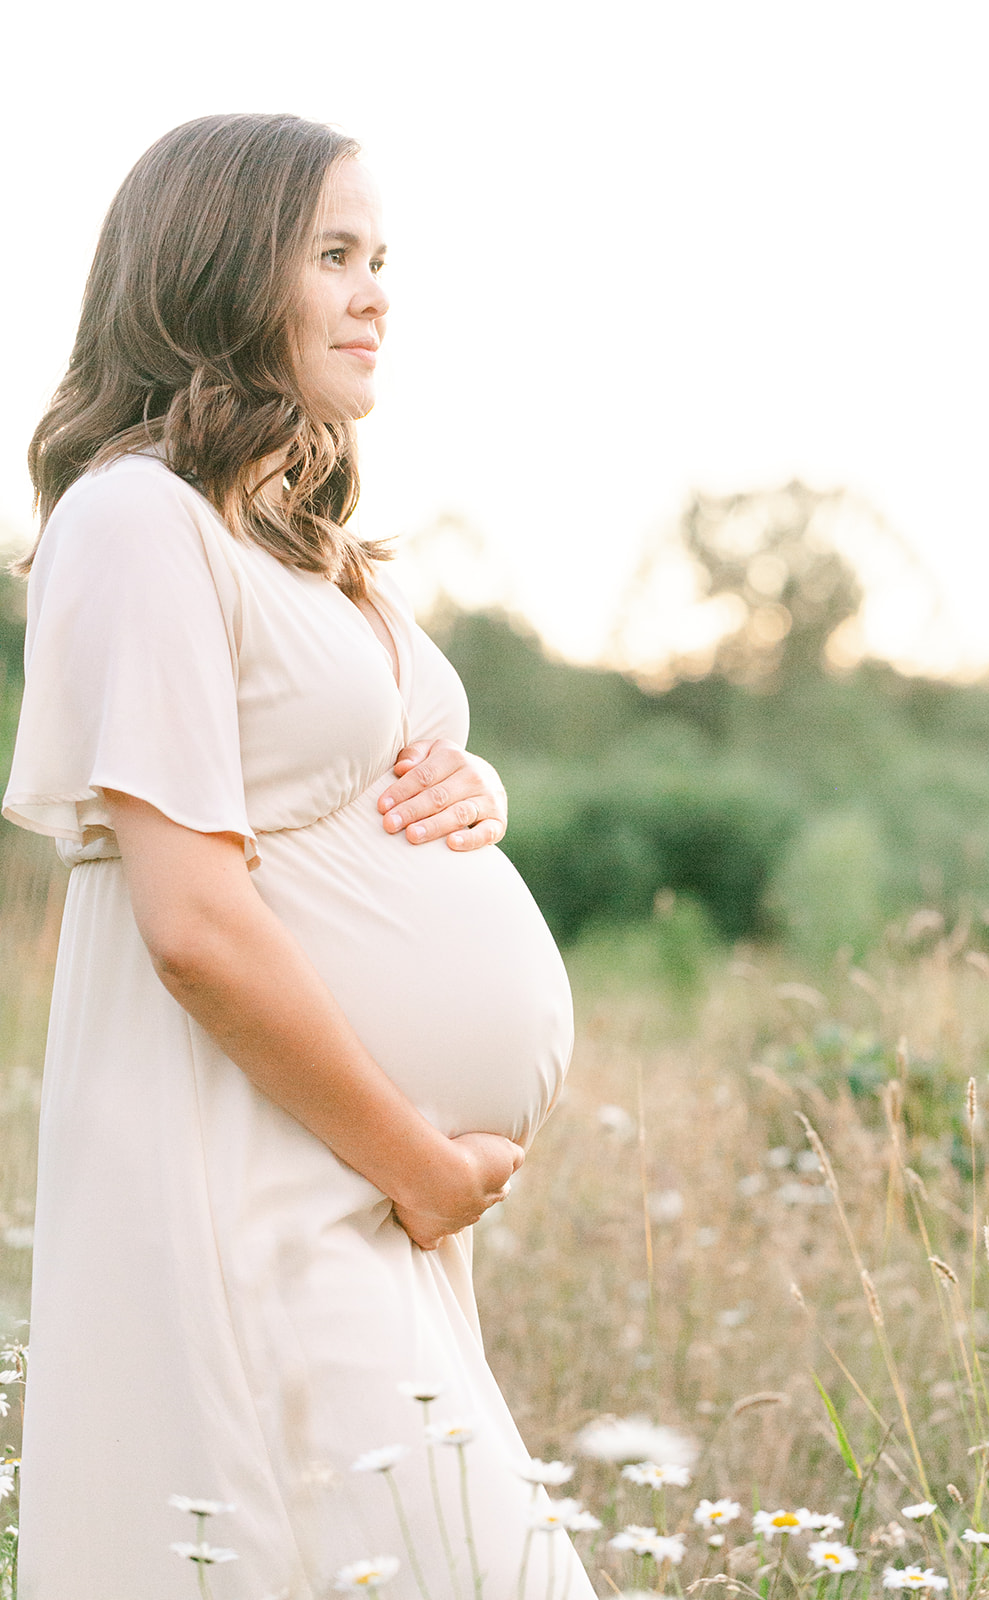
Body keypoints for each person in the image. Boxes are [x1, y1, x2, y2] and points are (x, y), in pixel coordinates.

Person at [3, 113, 596, 1599]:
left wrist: (475, 792)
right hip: (259, 1180)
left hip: (351, 1184)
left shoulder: (291, 539)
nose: (379, 293)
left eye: (382, 258)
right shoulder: (136, 519)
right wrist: (418, 1164)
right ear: (213, 274)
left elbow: (322, 782)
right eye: (334, 256)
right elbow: (192, 920)